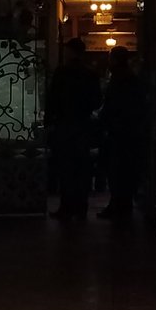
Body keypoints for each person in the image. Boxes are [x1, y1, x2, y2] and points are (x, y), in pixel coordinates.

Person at [45, 38, 100, 220]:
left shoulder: (62, 72)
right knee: (82, 168)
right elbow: (97, 100)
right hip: (82, 125)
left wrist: (49, 120)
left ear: (70, 52)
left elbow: (52, 98)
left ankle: (67, 206)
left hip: (65, 124)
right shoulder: (90, 74)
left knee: (66, 167)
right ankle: (81, 206)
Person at [96, 46, 147, 221]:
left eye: (111, 58)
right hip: (130, 133)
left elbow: (112, 106)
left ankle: (120, 207)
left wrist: (103, 122)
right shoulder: (131, 79)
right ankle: (121, 206)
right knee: (125, 173)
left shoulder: (119, 80)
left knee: (118, 173)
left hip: (119, 134)